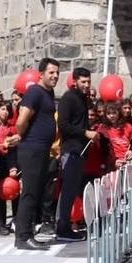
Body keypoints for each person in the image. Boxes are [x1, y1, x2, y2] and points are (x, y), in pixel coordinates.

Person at [10, 58, 61, 250]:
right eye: (51, 72)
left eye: (57, 73)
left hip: (42, 149)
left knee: (36, 192)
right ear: (41, 74)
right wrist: (22, 136)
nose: (55, 76)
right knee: (29, 193)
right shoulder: (34, 92)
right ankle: (22, 237)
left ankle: (28, 232)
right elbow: (22, 120)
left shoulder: (48, 93)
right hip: (32, 149)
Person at [53, 68, 95, 242]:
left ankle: (65, 226)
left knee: (72, 190)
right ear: (75, 81)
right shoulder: (68, 98)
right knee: (68, 190)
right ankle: (62, 228)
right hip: (70, 150)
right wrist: (85, 133)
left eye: (88, 82)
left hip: (80, 150)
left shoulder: (83, 99)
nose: (86, 85)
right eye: (83, 82)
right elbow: (63, 125)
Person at [0, 101, 19, 235]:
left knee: (13, 190)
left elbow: (13, 150)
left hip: (8, 161)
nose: (5, 112)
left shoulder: (12, 128)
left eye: (7, 109)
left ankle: (16, 220)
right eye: (2, 109)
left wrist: (13, 166)